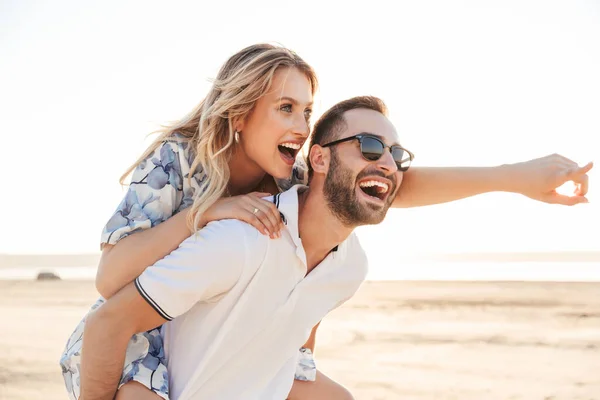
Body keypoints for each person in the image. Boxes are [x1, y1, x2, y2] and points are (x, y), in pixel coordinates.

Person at [60, 42, 593, 400]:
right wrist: (205, 214)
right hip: (134, 344)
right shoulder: (180, 160)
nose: (302, 126)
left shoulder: (287, 174)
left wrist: (514, 178)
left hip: (212, 325)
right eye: (286, 108)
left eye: (307, 111)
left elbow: (378, 185)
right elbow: (110, 282)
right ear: (241, 114)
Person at [79, 95, 409, 400]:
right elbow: (106, 324)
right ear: (319, 158)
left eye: (397, 156)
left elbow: (301, 330)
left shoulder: (351, 266)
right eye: (370, 147)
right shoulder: (239, 240)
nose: (388, 165)